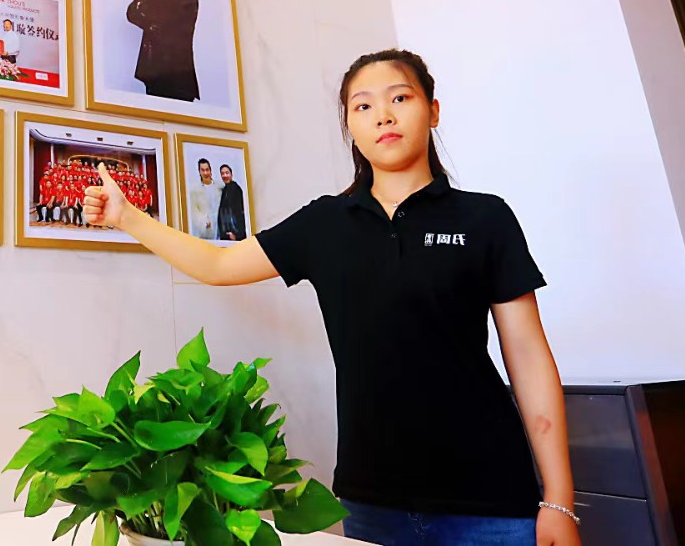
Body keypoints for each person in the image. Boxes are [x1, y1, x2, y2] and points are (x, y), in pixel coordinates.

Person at [82, 49, 579, 546]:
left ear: (432, 110)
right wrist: (128, 218)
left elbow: (528, 357)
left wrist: (559, 500)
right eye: (363, 106)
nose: (382, 115)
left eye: (399, 98)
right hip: (373, 503)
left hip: (492, 501)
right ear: (351, 127)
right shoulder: (326, 224)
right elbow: (217, 265)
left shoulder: (486, 218)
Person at [126, 0, 199, 101]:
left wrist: (147, 17)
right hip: (152, 70)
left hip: (176, 74)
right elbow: (131, 13)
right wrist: (150, 22)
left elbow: (169, 29)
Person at [186, 157, 220, 239]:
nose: (205, 173)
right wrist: (203, 221)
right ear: (199, 172)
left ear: (210, 170)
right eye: (203, 170)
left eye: (207, 170)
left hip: (220, 229)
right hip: (205, 232)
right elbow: (194, 211)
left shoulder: (220, 187)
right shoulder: (194, 190)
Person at [216, 163, 247, 241]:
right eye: (222, 173)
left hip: (234, 234)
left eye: (227, 173)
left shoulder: (236, 189)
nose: (225, 175)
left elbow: (238, 212)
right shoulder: (225, 190)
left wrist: (236, 233)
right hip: (226, 233)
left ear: (231, 175)